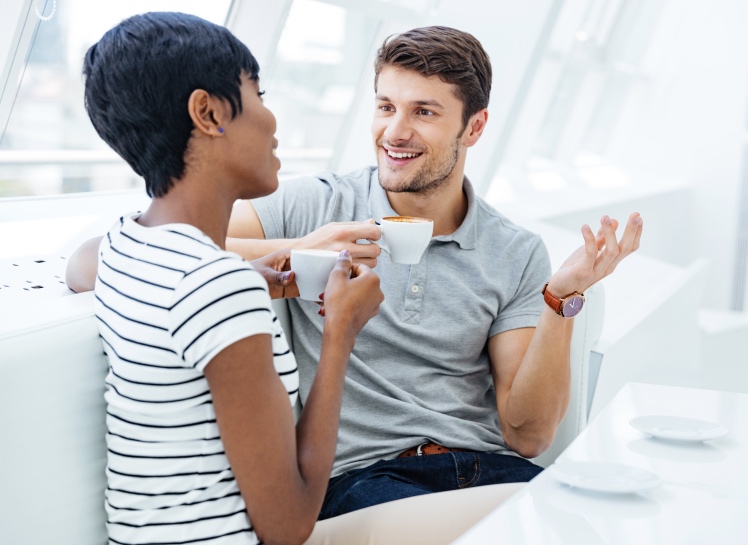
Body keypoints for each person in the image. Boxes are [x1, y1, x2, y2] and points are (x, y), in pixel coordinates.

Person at [69, 25, 642, 525]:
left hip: (488, 470)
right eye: (385, 106)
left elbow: (529, 435)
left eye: (424, 111)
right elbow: (105, 257)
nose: (395, 131)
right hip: (368, 483)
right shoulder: (315, 205)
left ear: (474, 128)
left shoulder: (513, 250)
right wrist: (304, 250)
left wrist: (561, 299)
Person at [78, 12, 382, 545]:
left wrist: (250, 275)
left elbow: (81, 262)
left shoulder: (127, 245)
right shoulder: (216, 288)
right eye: (258, 93)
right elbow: (288, 526)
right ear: (209, 112)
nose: (273, 121)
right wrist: (341, 333)